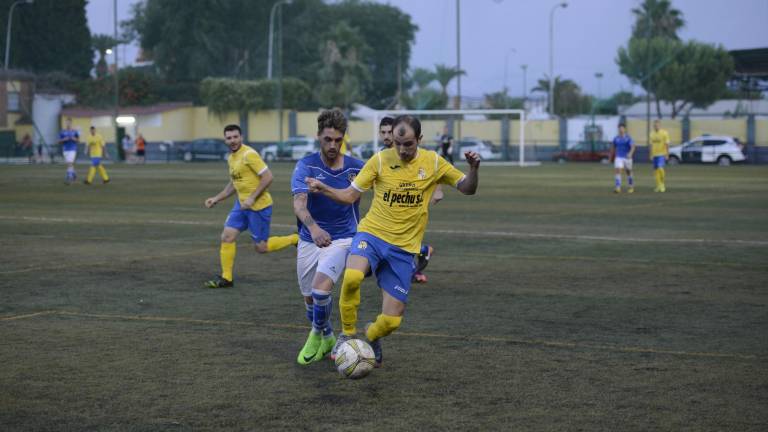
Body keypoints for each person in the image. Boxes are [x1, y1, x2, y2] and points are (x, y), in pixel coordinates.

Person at [306, 115, 481, 367]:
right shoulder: (379, 160)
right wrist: (324, 188)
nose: (401, 149)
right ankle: (347, 334)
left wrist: (473, 170)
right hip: (372, 235)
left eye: (408, 144)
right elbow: (349, 195)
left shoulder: (433, 161)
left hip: (403, 249)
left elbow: (467, 188)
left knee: (391, 321)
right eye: (397, 144)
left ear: (419, 139)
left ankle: (372, 336)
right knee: (353, 277)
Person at [291, 109, 364, 365]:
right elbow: (299, 204)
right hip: (310, 238)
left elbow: (390, 182)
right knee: (309, 297)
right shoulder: (305, 165)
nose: (333, 145)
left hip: (343, 238)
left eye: (338, 140)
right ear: (318, 137)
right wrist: (314, 229)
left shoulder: (357, 167)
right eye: (328, 139)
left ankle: (314, 334)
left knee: (320, 291)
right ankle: (329, 336)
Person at [204, 124, 299, 288]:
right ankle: (227, 278)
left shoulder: (249, 154)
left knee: (261, 248)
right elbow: (235, 183)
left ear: (241, 137)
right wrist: (217, 198)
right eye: (229, 138)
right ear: (225, 140)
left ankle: (295, 238)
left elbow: (268, 177)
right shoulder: (232, 158)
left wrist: (252, 198)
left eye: (235, 137)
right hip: (241, 206)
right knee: (227, 236)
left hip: (259, 207)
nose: (232, 140)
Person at [379, 116, 438, 284]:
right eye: (383, 132)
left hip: (408, 205)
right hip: (389, 205)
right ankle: (421, 253)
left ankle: (413, 267)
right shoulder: (382, 156)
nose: (387, 136)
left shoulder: (413, 152)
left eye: (390, 132)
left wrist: (438, 190)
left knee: (395, 239)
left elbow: (433, 169)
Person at [610, 124, 635, 193]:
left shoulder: (628, 138)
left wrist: (630, 153)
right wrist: (611, 156)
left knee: (628, 172)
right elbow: (613, 147)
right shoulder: (616, 138)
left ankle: (630, 186)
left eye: (622, 128)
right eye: (619, 128)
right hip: (619, 157)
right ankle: (618, 187)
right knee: (618, 170)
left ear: (625, 129)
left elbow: (633, 147)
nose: (621, 130)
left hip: (627, 157)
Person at [649, 120, 670, 193]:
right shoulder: (651, 134)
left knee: (660, 168)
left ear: (660, 126)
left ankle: (662, 184)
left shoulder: (664, 133)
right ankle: (658, 185)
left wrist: (667, 154)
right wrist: (651, 154)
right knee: (656, 171)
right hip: (654, 154)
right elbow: (651, 145)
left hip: (661, 154)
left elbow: (667, 144)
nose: (656, 126)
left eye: (657, 125)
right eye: (655, 125)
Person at [58, 118, 80, 184]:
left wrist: (73, 138)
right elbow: (59, 141)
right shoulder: (62, 131)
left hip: (72, 149)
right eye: (67, 122)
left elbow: (78, 140)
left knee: (70, 163)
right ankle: (74, 174)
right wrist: (65, 139)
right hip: (65, 150)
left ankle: (69, 177)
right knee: (69, 164)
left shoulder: (74, 131)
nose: (68, 124)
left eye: (69, 122)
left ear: (71, 123)